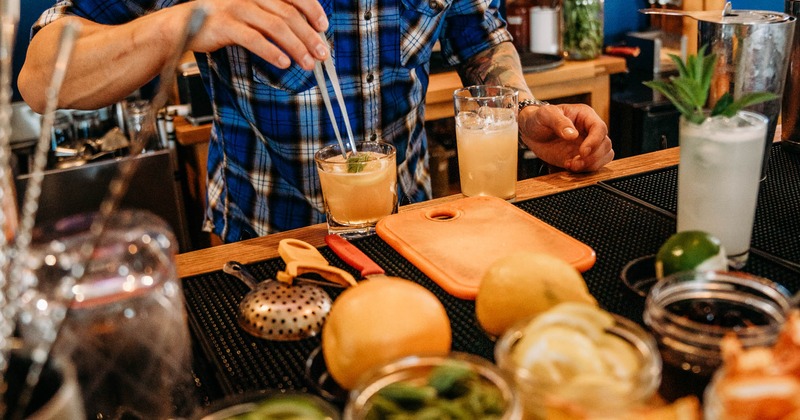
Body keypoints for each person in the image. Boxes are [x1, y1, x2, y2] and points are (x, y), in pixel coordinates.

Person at [18, 0, 614, 243]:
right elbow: (42, 78)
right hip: (262, 249)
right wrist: (183, 23)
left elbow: (479, 37)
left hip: (408, 236)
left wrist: (524, 111)